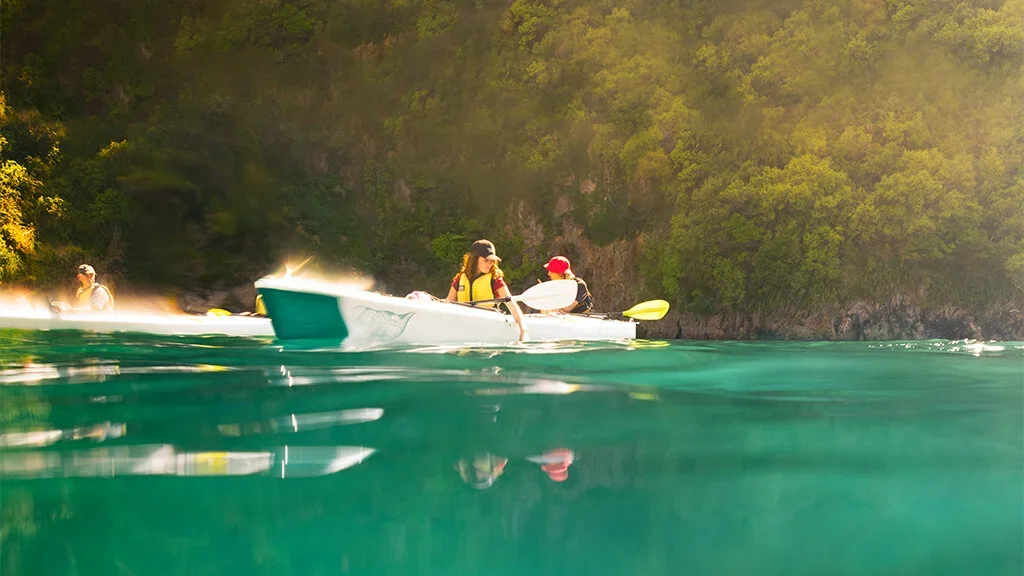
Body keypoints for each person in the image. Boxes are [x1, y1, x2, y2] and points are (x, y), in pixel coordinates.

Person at [446, 239, 528, 341]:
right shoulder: (460, 278)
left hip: (486, 325)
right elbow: (448, 302)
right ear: (475, 259)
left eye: (492, 261)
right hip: (465, 324)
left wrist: (523, 329)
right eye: (486, 260)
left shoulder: (495, 279)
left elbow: (511, 304)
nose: (489, 264)